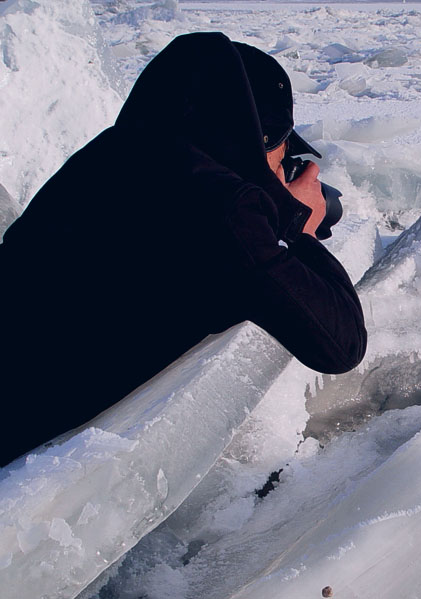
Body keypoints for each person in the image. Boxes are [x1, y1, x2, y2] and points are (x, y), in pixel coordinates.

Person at [0, 32, 367, 466]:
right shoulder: (224, 208)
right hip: (23, 456)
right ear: (256, 137)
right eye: (282, 147)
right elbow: (340, 345)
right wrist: (302, 229)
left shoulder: (109, 156)